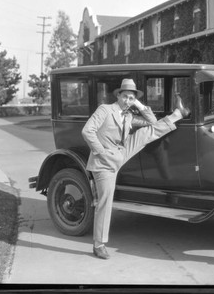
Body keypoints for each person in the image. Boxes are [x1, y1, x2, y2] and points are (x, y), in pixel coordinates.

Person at [81, 78, 189, 260]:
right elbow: (87, 131)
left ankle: (179, 113)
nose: (127, 101)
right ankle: (98, 244)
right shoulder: (105, 110)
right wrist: (101, 152)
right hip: (104, 163)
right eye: (125, 97)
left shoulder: (129, 115)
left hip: (121, 153)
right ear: (118, 95)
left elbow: (153, 122)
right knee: (105, 201)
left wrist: (138, 104)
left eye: (131, 98)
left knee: (147, 132)